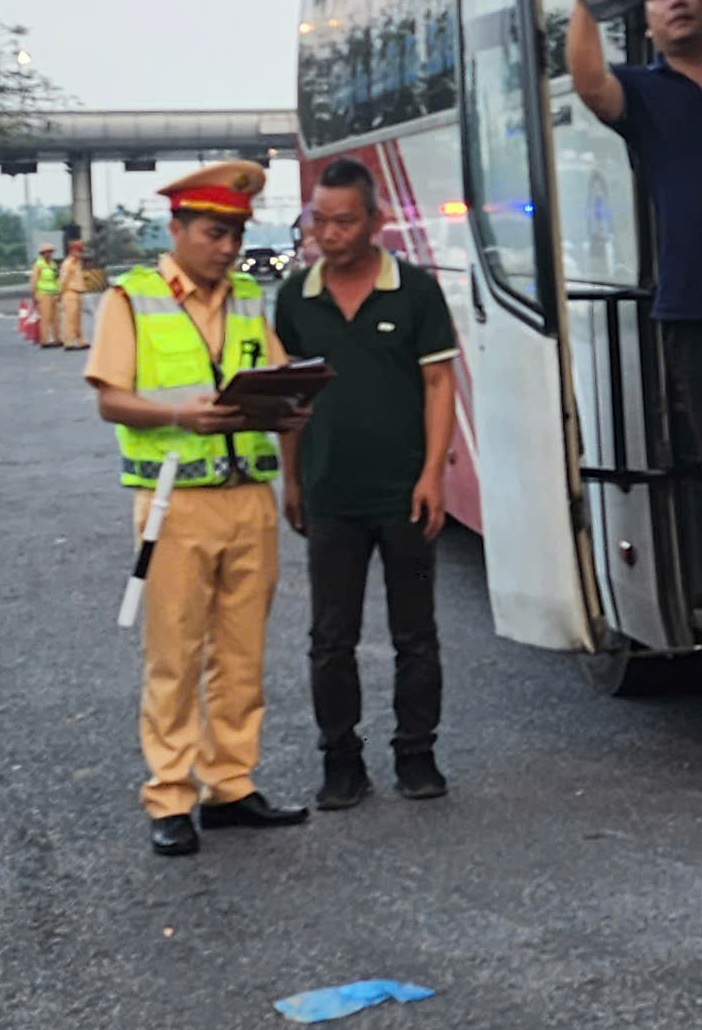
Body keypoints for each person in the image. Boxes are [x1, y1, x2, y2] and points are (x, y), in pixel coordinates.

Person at [84, 161, 312, 857]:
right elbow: (108, 398)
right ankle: (170, 795)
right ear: (176, 228)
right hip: (174, 500)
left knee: (242, 652)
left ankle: (231, 785)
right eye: (215, 233)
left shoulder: (247, 297)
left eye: (236, 235)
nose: (227, 249)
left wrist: (292, 406)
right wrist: (178, 413)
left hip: (249, 496)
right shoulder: (133, 297)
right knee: (175, 653)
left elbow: (273, 378)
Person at [273, 157, 460, 810]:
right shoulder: (295, 297)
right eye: (318, 220)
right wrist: (291, 479)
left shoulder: (413, 291)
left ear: (375, 222)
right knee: (330, 639)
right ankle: (341, 762)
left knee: (415, 634)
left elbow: (439, 384)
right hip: (329, 495)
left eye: (343, 220)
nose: (328, 232)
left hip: (403, 492)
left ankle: (417, 754)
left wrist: (433, 473)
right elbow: (288, 395)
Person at [553, 0, 702, 567]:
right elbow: (587, 80)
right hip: (696, 306)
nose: (676, 1)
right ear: (647, 21)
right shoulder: (643, 90)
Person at [56, 238, 91, 351]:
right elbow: (63, 280)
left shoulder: (77, 263)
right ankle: (69, 342)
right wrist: (60, 294)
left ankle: (81, 341)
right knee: (70, 319)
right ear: (72, 251)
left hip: (77, 293)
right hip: (69, 293)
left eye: (81, 251)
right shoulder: (68, 264)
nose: (80, 254)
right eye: (78, 251)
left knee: (77, 319)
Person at [32, 243, 62, 347]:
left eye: (50, 252)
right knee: (45, 318)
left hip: (53, 294)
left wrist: (59, 292)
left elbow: (57, 278)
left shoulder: (53, 264)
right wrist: (34, 295)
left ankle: (58, 339)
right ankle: (44, 340)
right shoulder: (38, 265)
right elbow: (34, 281)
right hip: (43, 294)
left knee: (56, 318)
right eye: (47, 252)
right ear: (42, 253)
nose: (49, 254)